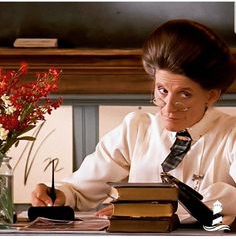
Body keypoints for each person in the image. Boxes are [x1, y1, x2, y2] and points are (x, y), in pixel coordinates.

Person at [31, 19, 236, 224]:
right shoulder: (136, 129)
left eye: (184, 94)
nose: (168, 106)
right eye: (162, 91)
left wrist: (150, 208)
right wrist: (58, 194)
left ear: (211, 96)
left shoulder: (231, 134)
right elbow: (80, 189)